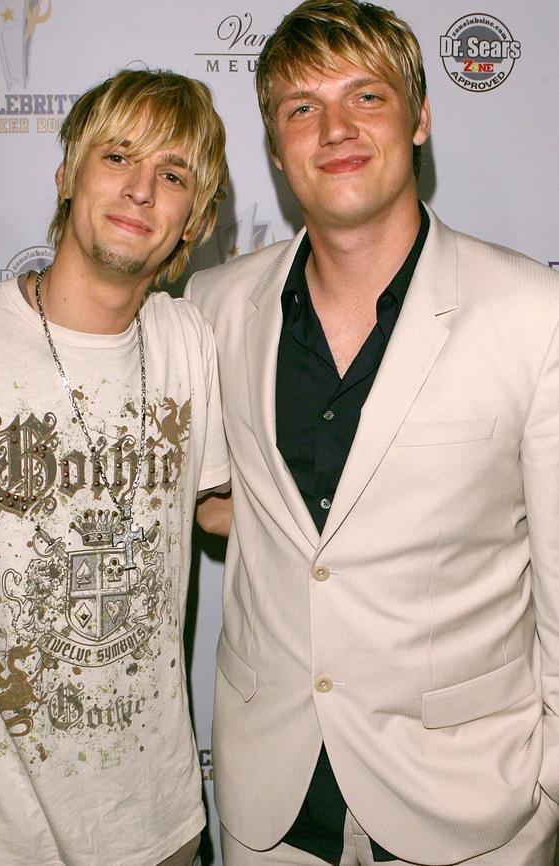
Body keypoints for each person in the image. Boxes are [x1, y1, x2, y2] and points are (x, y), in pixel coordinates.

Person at [187, 2, 559, 864]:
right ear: (276, 147)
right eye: (302, 108)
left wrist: (546, 791)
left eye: (368, 96)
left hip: (474, 808)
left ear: (420, 118)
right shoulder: (213, 308)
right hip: (268, 804)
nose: (337, 129)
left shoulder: (533, 315)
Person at [0, 67, 229, 866]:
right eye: (117, 156)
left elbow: (223, 508)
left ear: (193, 221)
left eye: (172, 174)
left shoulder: (188, 342)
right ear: (66, 176)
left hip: (161, 829)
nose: (141, 191)